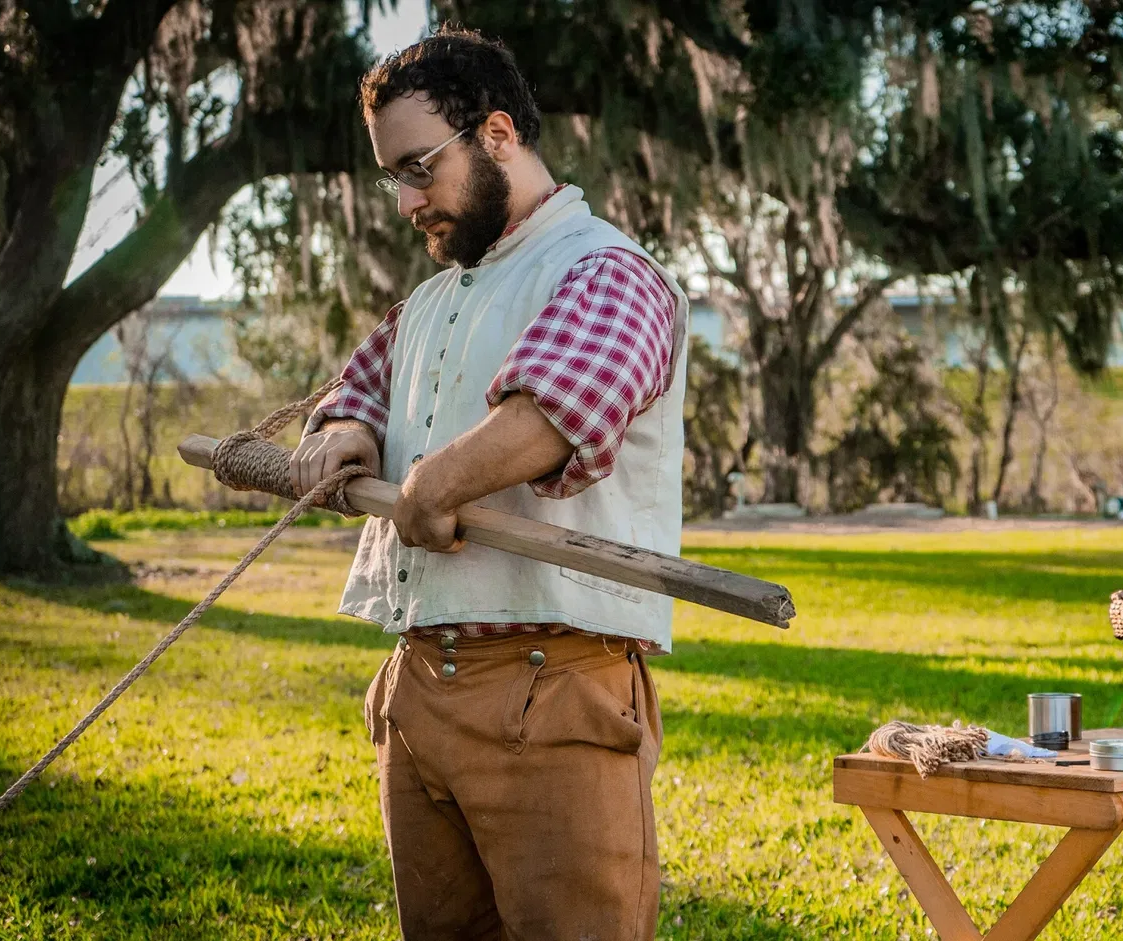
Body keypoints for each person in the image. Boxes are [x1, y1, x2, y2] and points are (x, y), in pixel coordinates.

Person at [288, 25, 687, 941]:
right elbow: (359, 394)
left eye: (419, 167)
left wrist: (438, 481)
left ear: (499, 135)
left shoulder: (606, 270)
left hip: (552, 690)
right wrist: (348, 431)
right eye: (393, 176)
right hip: (419, 686)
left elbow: (556, 412)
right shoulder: (432, 299)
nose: (406, 200)